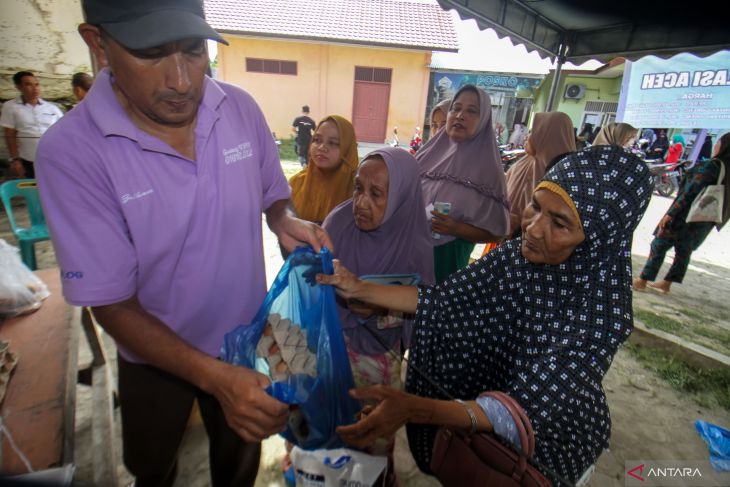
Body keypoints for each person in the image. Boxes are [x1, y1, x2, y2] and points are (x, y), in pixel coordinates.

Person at [34, 1, 331, 486]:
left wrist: (284, 220)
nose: (181, 80)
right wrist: (215, 380)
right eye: (151, 53)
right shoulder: (71, 153)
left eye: (194, 50)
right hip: (153, 356)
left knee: (239, 464)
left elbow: (273, 196)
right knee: (153, 467)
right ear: (99, 45)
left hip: (249, 335)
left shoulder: (238, 108)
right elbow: (110, 303)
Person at [318, 145, 653, 485]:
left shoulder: (601, 320)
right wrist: (358, 288)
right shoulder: (517, 259)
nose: (534, 228)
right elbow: (445, 300)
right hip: (481, 414)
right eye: (535, 206)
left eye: (560, 223)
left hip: (542, 451)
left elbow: (514, 412)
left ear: (595, 242)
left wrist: (413, 408)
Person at [322, 147, 434, 485]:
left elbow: (422, 314)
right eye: (358, 189)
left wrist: (380, 307)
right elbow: (314, 287)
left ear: (400, 196)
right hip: (330, 348)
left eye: (376, 194)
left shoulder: (414, 245)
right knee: (331, 428)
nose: (361, 203)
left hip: (378, 356)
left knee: (371, 435)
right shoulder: (336, 224)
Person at [416, 84, 509, 282]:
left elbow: (497, 233)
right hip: (410, 252)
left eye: (471, 111)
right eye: (456, 108)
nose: (460, 115)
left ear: (483, 119)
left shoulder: (489, 170)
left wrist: (457, 228)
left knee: (436, 309)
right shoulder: (426, 155)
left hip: (448, 261)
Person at [633, 132, 730, 295]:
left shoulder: (713, 166)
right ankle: (666, 283)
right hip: (706, 218)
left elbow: (689, 192)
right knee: (684, 250)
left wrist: (671, 213)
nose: (715, 145)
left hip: (685, 215)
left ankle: (643, 280)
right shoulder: (727, 169)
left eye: (718, 142)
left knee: (659, 244)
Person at [505, 111, 576, 236]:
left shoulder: (563, 175)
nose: (527, 136)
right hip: (504, 234)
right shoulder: (524, 162)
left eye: (533, 132)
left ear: (548, 135)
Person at [289, 115, 359, 224]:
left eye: (333, 143)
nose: (322, 147)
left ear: (347, 148)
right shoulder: (296, 183)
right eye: (317, 140)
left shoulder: (358, 190)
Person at [1, 71, 63, 178]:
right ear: (18, 87)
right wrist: (15, 159)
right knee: (34, 188)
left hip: (54, 158)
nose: (35, 88)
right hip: (29, 159)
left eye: (36, 84)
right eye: (28, 84)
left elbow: (64, 131)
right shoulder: (10, 107)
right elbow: (9, 134)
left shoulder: (52, 108)